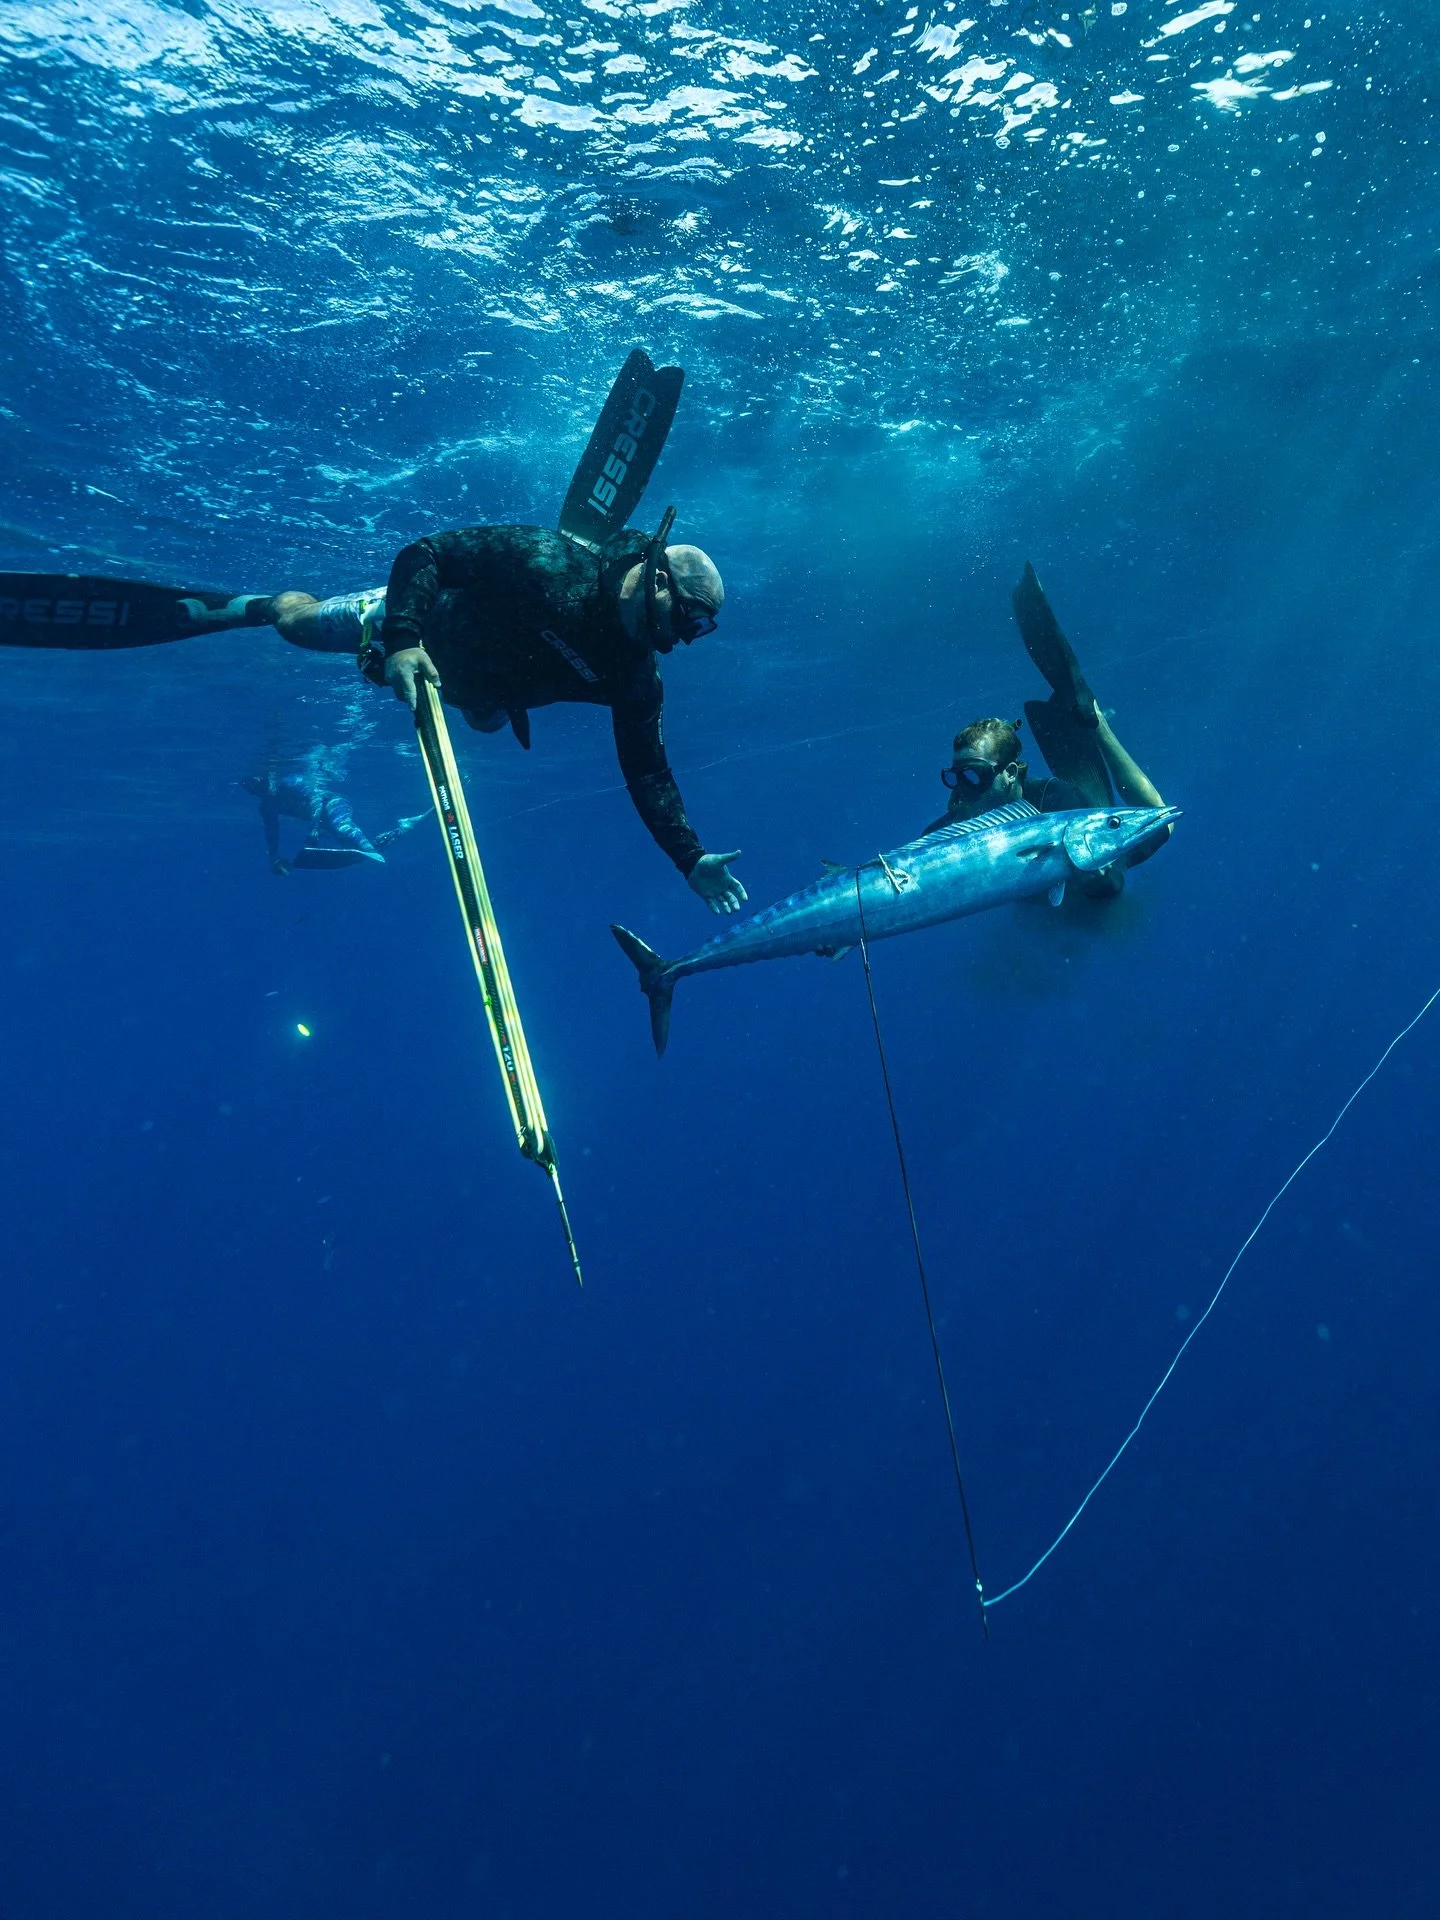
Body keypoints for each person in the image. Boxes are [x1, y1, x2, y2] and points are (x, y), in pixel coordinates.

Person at [259, 519, 747, 913]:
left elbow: (649, 772)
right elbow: (425, 553)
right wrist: (405, 639)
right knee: (295, 627)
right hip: (415, 627)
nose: (682, 638)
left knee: (485, 720)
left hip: (487, 692)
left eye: (700, 631)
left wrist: (690, 858)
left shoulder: (636, 678)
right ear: (659, 581)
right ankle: (279, 603)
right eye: (688, 618)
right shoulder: (548, 562)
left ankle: (477, 698)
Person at [924, 563, 1169, 899]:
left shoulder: (1059, 798)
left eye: (975, 775)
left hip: (1081, 870)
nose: (964, 788)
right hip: (1048, 901)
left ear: (1009, 772)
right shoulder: (961, 814)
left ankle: (1098, 723)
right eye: (956, 777)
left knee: (1158, 825)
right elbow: (915, 861)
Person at [241, 764, 386, 874]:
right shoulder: (266, 807)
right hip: (320, 819)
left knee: (342, 826)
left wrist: (314, 829)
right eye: (254, 790)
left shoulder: (290, 782)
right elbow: (272, 831)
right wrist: (274, 857)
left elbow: (316, 799)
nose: (260, 791)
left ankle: (369, 848)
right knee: (354, 851)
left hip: (332, 802)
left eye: (260, 784)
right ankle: (404, 827)